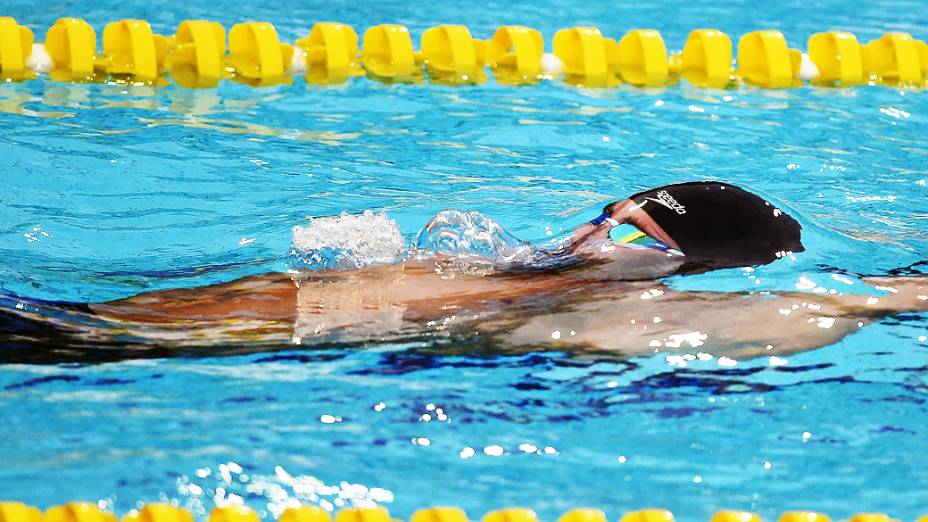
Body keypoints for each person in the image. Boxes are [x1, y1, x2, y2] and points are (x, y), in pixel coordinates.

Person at [1, 181, 925, 363]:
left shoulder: (615, 319)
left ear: (684, 273)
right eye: (604, 215)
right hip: (101, 316)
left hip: (105, 344)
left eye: (633, 235)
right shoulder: (502, 266)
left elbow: (834, 306)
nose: (592, 238)